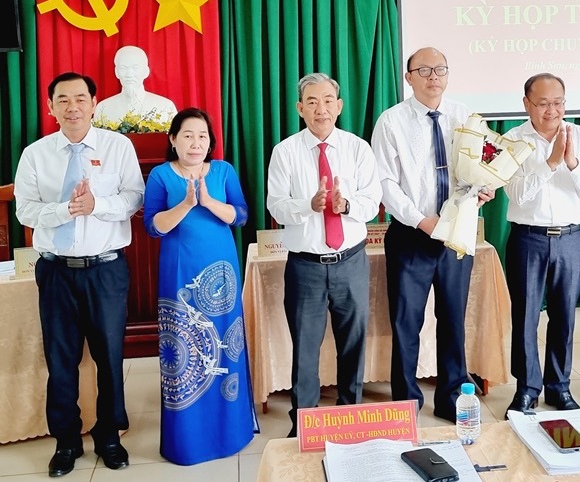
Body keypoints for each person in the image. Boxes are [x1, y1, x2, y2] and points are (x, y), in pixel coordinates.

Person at [14, 72, 144, 476]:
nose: (73, 107)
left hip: (105, 269)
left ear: (93, 103)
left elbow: (133, 197)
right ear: (50, 107)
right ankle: (66, 441)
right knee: (61, 359)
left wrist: (96, 205)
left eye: (80, 99)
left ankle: (109, 437)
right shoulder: (35, 154)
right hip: (55, 272)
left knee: (109, 357)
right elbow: (25, 210)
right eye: (63, 100)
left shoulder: (117, 146)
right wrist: (65, 210)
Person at [371, 47, 494, 422]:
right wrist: (420, 219)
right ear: (408, 77)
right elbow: (385, 182)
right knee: (407, 321)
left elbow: (485, 165)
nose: (433, 77)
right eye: (423, 70)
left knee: (453, 317)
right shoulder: (391, 121)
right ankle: (405, 402)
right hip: (412, 233)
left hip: (457, 232)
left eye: (440, 69)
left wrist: (486, 188)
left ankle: (452, 395)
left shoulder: (466, 117)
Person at [267, 73, 381, 437]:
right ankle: (304, 422)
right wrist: (309, 204)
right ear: (300, 109)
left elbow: (372, 201)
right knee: (305, 347)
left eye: (329, 100)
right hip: (306, 267)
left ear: (340, 106)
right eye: (312, 102)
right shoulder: (285, 152)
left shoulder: (358, 148)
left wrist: (343, 204)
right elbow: (276, 205)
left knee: (353, 342)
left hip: (351, 262)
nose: (322, 109)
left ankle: (350, 414)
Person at [142, 108, 258, 464]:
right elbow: (153, 226)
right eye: (188, 135)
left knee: (227, 349)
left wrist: (208, 201)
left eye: (203, 136)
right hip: (179, 275)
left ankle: (232, 432)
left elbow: (240, 216)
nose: (196, 143)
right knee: (184, 354)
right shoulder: (162, 175)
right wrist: (187, 204)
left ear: (210, 142)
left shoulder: (223, 171)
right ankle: (188, 442)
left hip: (221, 271)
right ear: (173, 139)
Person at [503, 73, 580, 414]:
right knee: (526, 317)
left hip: (571, 239)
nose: (551, 110)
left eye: (558, 103)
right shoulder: (512, 139)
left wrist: (571, 162)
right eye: (543, 103)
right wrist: (550, 163)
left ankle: (559, 387)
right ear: (526, 104)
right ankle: (527, 388)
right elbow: (515, 193)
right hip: (528, 238)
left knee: (564, 317)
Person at [95, 46, 177, 126]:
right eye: (123, 68)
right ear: (116, 72)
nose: (129, 74)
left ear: (146, 71)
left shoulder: (165, 107)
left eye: (135, 68)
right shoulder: (103, 108)